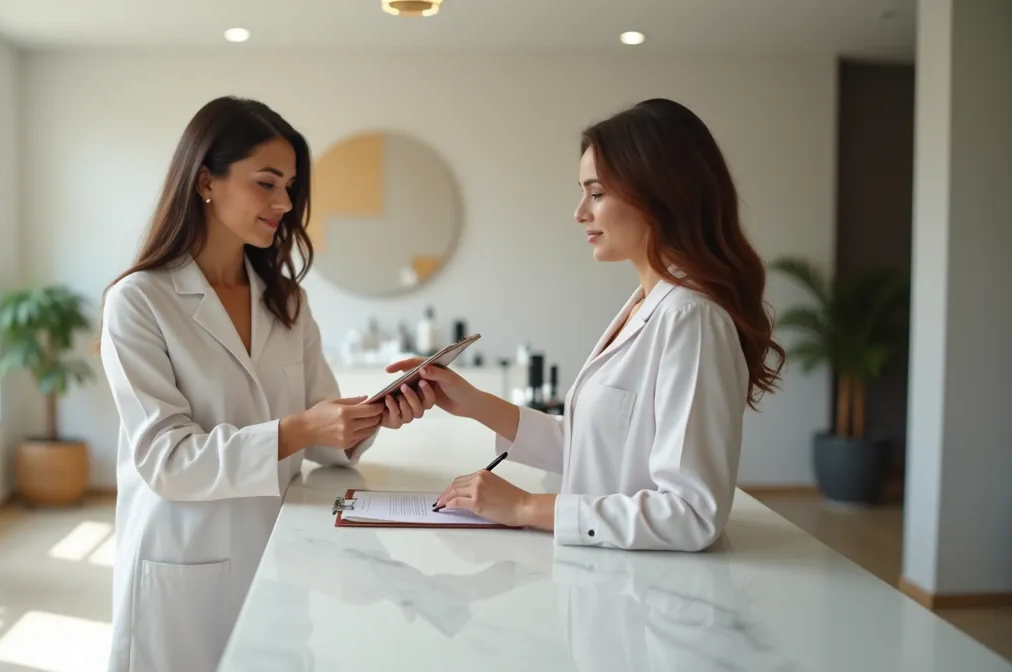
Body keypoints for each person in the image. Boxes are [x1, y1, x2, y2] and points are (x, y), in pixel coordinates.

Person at [97, 96, 433, 672]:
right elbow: (168, 461)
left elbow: (323, 436)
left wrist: (371, 416)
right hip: (183, 560)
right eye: (266, 183)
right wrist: (301, 428)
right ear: (206, 180)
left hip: (278, 551)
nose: (283, 203)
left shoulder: (286, 301)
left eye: (290, 187)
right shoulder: (140, 302)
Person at [389, 98, 785, 552]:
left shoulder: (690, 320)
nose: (580, 212)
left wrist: (524, 508)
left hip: (650, 602)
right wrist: (474, 402)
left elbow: (691, 513)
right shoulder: (645, 306)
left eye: (596, 193)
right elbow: (592, 447)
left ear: (659, 194)